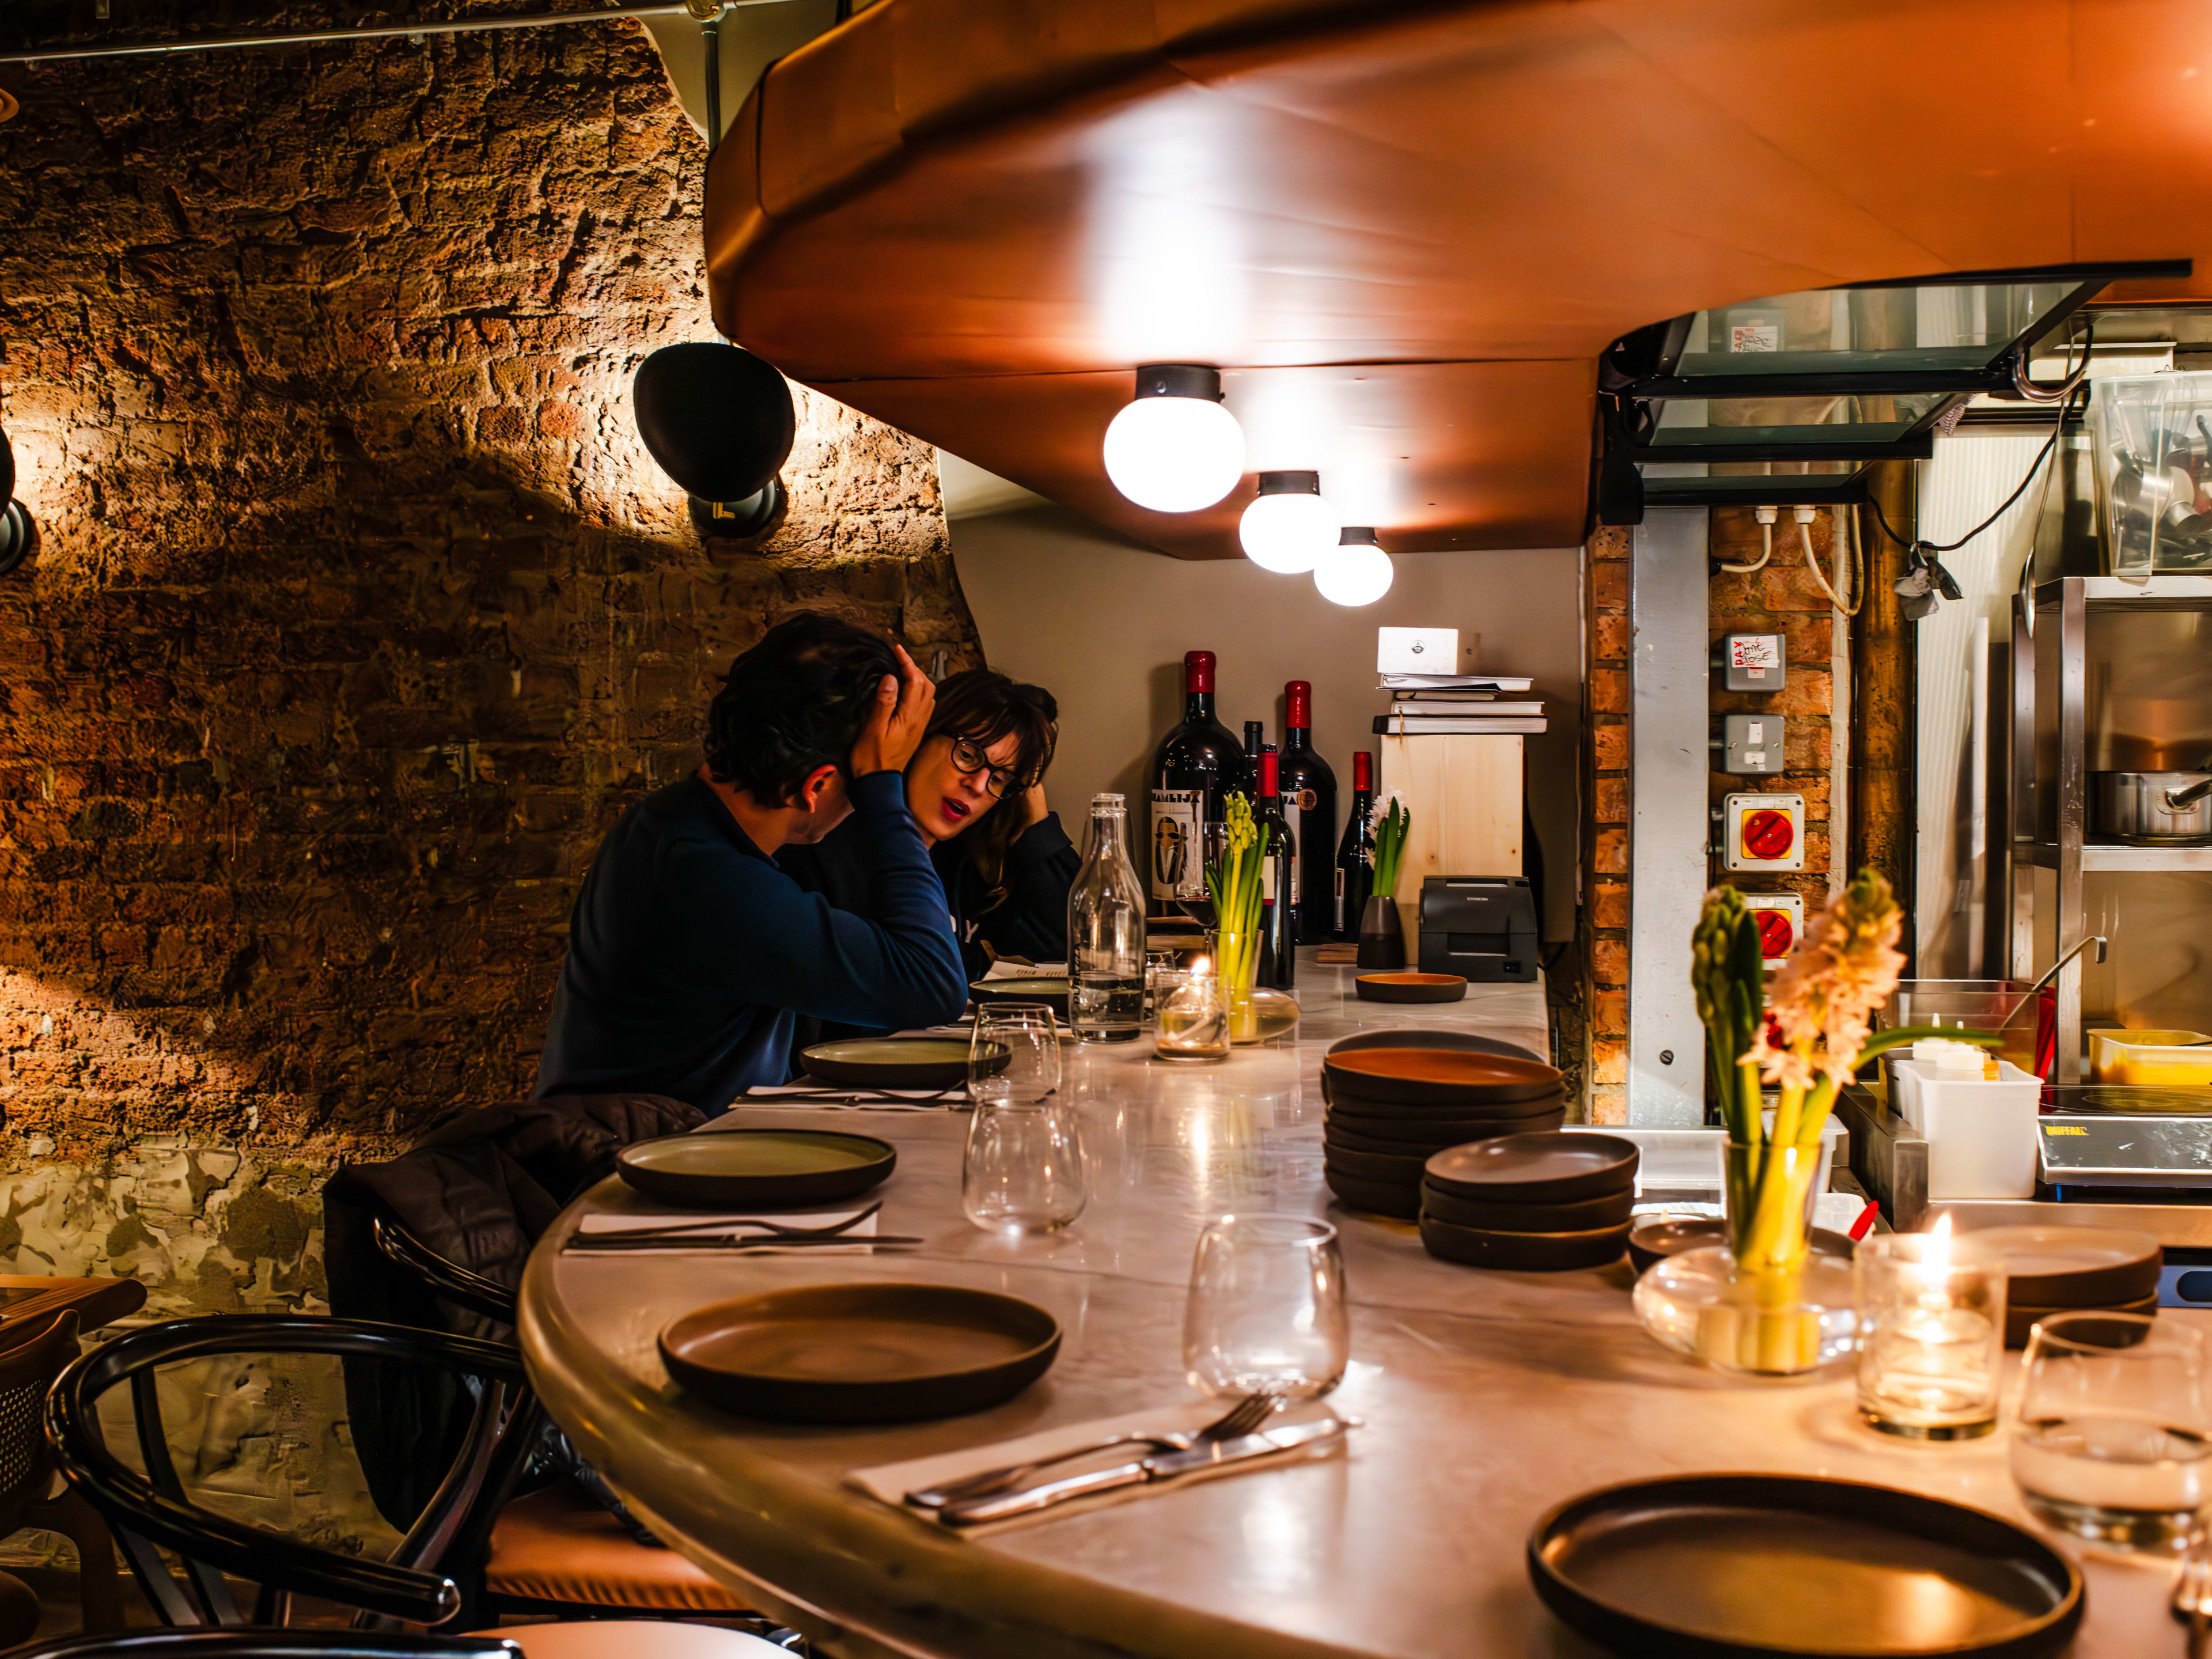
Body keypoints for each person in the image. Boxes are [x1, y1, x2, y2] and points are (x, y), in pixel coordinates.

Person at [533, 612, 968, 1114]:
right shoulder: (707, 878)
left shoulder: (670, 822)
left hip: (679, 1151)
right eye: (859, 790)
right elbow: (933, 984)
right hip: (637, 1172)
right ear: (818, 786)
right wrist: (884, 790)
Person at [782, 669, 1077, 982]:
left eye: (1000, 779)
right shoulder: (827, 848)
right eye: (968, 754)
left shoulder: (965, 865)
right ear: (921, 734)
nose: (978, 786)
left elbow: (1069, 950)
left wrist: (1038, 824)